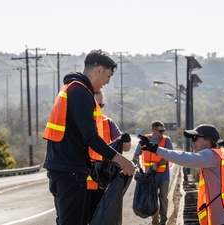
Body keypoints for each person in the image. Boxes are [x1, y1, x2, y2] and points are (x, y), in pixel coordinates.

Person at [42, 49, 135, 225]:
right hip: (71, 170)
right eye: (109, 76)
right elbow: (90, 137)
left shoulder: (72, 88)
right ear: (99, 70)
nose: (107, 82)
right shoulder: (80, 92)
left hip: (62, 167)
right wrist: (122, 161)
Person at [139, 124, 224, 225]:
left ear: (207, 140)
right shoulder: (216, 157)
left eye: (195, 138)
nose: (192, 142)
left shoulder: (211, 155)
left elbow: (184, 158)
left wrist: (156, 148)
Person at [83, 90, 131, 225]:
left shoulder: (108, 123)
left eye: (101, 105)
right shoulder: (79, 123)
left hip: (102, 182)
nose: (98, 109)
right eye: (95, 105)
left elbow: (125, 148)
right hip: (81, 183)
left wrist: (125, 141)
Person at [132, 120, 173, 225]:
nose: (162, 132)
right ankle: (155, 222)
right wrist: (137, 165)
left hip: (163, 175)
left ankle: (163, 221)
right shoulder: (145, 140)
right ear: (153, 130)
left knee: (163, 198)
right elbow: (136, 156)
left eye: (163, 130)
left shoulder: (166, 141)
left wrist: (158, 164)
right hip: (150, 176)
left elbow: (170, 156)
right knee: (153, 199)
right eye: (160, 130)